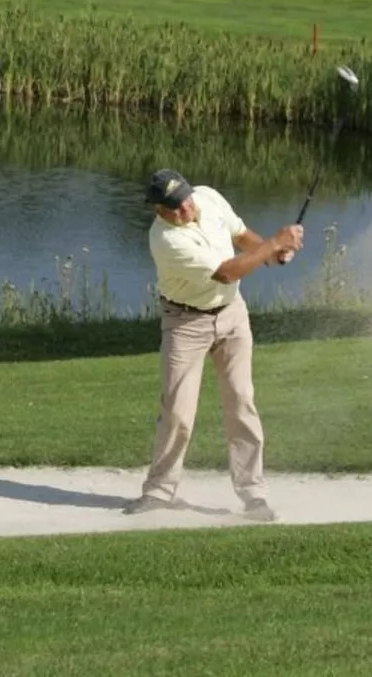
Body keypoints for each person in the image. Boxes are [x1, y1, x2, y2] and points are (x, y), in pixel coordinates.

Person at [125, 169, 304, 522]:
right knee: (178, 411)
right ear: (158, 209)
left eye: (186, 200)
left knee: (242, 401)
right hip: (185, 323)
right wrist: (273, 243)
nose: (185, 209)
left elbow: (241, 236)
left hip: (232, 315)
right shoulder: (165, 240)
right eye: (174, 207)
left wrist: (273, 252)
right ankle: (159, 491)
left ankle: (253, 493)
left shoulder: (207, 197)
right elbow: (226, 272)